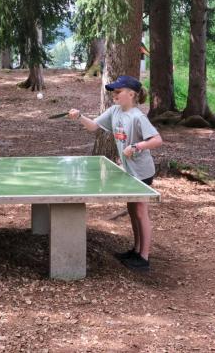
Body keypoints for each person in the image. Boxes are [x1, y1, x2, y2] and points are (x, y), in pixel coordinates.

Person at [68, 75, 162, 272]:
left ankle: (143, 257)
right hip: (129, 171)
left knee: (140, 211)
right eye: (113, 92)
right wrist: (79, 116)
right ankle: (135, 250)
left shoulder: (138, 117)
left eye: (118, 92)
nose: (114, 95)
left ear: (131, 94)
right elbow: (94, 126)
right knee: (132, 210)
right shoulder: (114, 111)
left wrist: (136, 147)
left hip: (142, 172)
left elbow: (157, 140)